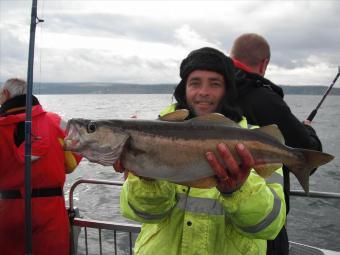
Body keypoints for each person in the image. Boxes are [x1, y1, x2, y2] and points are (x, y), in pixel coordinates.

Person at [117, 47, 286, 254]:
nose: (203, 92)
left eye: (215, 84)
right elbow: (144, 214)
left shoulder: (256, 141)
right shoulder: (148, 139)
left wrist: (239, 190)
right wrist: (148, 179)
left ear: (227, 91)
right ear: (184, 88)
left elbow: (269, 225)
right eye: (194, 83)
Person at [230, 33, 323, 255]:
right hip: (262, 225)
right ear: (264, 63)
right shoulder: (265, 98)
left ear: (231, 56)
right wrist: (307, 129)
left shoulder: (212, 92)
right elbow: (309, 155)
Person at [0, 78, 82, 255]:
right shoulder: (56, 122)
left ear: (5, 95)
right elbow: (73, 162)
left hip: (7, 213)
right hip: (51, 213)